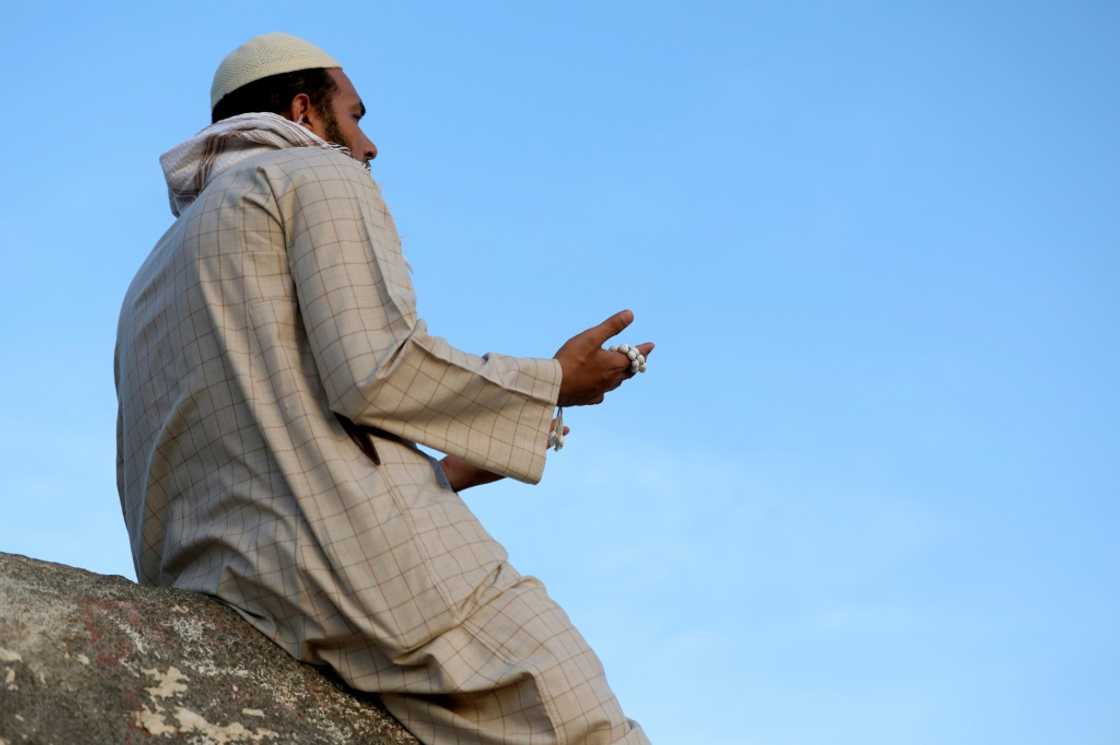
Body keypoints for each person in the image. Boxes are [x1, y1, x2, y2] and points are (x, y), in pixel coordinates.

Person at [115, 32, 654, 745]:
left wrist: (443, 475)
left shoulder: (148, 280)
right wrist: (554, 383)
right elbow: (378, 368)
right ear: (305, 112)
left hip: (225, 588)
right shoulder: (314, 174)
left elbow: (269, 444)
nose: (369, 147)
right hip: (368, 581)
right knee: (585, 721)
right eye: (357, 115)